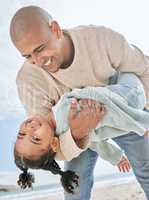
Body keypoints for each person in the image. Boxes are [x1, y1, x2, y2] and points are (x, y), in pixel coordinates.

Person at [10, 5, 149, 200]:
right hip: (75, 136)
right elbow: (50, 148)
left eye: (40, 49)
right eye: (27, 56)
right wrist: (78, 133)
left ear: (56, 30)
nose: (37, 62)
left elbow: (143, 69)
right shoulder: (28, 81)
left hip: (121, 109)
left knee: (145, 167)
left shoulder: (102, 39)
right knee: (75, 184)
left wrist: (140, 120)